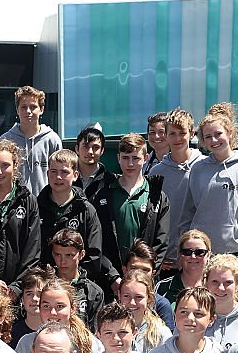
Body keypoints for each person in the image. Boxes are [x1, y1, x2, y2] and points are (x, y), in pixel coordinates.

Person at [175, 103, 238, 265]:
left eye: (218, 134)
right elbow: (187, 214)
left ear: (229, 133)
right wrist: (182, 250)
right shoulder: (198, 168)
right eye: (208, 136)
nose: (213, 140)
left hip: (232, 255)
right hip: (198, 254)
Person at [92, 133, 170, 289]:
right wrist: (112, 276)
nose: (130, 164)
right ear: (118, 158)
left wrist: (146, 272)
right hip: (111, 280)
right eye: (126, 158)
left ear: (146, 158)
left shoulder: (157, 197)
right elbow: (96, 241)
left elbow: (161, 242)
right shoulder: (104, 195)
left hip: (144, 279)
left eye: (136, 158)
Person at [37, 149, 108, 286]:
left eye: (64, 172)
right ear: (47, 174)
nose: (58, 177)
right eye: (53, 172)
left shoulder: (86, 210)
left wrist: (76, 280)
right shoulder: (36, 207)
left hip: (76, 284)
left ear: (75, 175)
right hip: (43, 284)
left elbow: (94, 254)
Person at [0, 139, 41, 295]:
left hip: (17, 291)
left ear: (16, 165)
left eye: (5, 165)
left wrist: (17, 286)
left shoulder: (28, 200)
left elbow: (32, 249)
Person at [151, 108, 204, 268]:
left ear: (192, 133)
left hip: (197, 254)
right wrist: (158, 255)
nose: (177, 138)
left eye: (182, 133)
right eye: (172, 133)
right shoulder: (157, 172)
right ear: (166, 136)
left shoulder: (204, 166)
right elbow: (153, 215)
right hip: (167, 258)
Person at [14, 278, 102, 353]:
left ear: (73, 308)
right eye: (46, 306)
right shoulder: (26, 344)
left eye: (59, 306)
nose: (53, 312)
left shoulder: (91, 344)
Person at [0, 86, 63, 196]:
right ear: (17, 110)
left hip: (45, 205)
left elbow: (60, 174)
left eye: (33, 107)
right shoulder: (5, 140)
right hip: (14, 205)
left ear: (41, 109)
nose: (28, 111)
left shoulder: (52, 139)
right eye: (23, 107)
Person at [50, 229, 104, 331]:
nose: (62, 261)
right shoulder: (44, 286)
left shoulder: (93, 292)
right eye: (58, 255)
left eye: (69, 255)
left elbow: (96, 330)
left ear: (81, 254)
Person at [124, 240, 176, 330]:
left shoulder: (161, 305)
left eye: (145, 270)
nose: (139, 273)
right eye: (134, 268)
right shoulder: (114, 303)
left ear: (153, 273)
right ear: (124, 270)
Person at [203, 253, 238, 351]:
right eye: (215, 282)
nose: (220, 288)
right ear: (206, 283)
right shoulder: (195, 313)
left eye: (228, 283)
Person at [118, 269, 172, 353]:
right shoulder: (108, 330)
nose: (132, 302)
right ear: (119, 295)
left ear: (149, 298)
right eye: (126, 296)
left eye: (139, 297)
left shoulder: (161, 333)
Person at [156, 229, 211, 303]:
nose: (193, 256)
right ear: (179, 254)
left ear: (209, 255)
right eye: (187, 252)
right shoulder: (163, 287)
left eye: (200, 252)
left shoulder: (216, 287)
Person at [8, 266, 54, 348]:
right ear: (22, 299)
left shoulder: (56, 331)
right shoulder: (11, 333)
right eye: (29, 294)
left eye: (39, 294)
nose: (34, 299)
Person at [73, 124, 107, 201]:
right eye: (85, 146)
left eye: (96, 147)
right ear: (77, 149)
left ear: (102, 151)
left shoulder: (110, 182)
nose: (90, 152)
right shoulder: (66, 177)